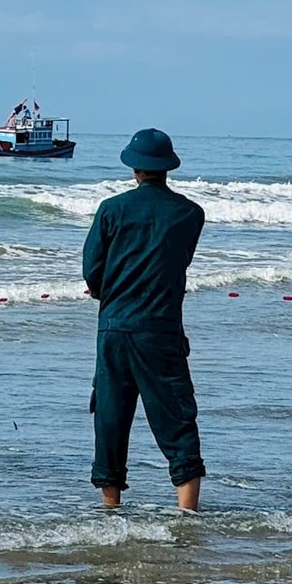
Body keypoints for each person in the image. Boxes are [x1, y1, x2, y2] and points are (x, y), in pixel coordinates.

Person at [83, 129, 207, 511]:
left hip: (114, 328)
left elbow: (92, 271)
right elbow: (180, 261)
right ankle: (188, 511)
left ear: (134, 169)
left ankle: (111, 508)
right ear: (167, 168)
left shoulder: (110, 209)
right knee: (177, 418)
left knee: (110, 417)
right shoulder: (190, 213)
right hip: (161, 328)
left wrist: (112, 295)